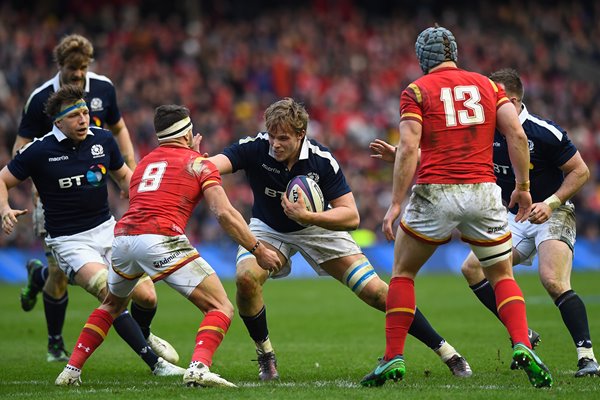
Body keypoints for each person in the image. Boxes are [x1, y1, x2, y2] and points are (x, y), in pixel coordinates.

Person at [207, 97, 473, 381]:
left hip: (317, 227)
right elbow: (212, 165)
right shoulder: (255, 148)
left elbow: (351, 216)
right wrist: (194, 161)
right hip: (268, 229)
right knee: (246, 280)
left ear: (301, 135)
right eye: (272, 136)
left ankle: (448, 352)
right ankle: (266, 355)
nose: (275, 144)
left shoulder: (321, 161)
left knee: (377, 293)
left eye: (283, 138)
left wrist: (309, 218)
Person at [360, 26, 552, 388]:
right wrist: (524, 187)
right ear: (455, 53)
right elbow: (518, 135)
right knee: (502, 276)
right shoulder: (490, 86)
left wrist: (396, 202)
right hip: (483, 193)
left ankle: (393, 356)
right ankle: (523, 344)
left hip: (436, 191)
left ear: (422, 57)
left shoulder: (416, 91)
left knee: (402, 273)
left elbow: (412, 145)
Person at [54, 104, 283, 387]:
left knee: (111, 304)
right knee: (220, 306)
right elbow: (224, 213)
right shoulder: (199, 163)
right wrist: (258, 249)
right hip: (161, 238)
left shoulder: (144, 165)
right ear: (188, 134)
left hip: (123, 238)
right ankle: (199, 366)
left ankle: (71, 370)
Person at [1, 85, 183, 379]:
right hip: (70, 241)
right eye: (75, 115)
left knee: (148, 296)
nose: (84, 119)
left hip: (107, 230)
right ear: (58, 122)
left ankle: (144, 334)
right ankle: (156, 364)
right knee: (109, 294)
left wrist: (142, 198)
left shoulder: (102, 139)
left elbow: (124, 177)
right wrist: (5, 209)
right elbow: (3, 180)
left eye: (86, 112)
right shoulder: (38, 150)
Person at [460, 68, 598, 377]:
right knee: (471, 268)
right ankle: (524, 334)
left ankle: (587, 356)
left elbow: (581, 171)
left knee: (553, 281)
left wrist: (551, 203)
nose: (483, 102)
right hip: (513, 217)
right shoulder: (483, 131)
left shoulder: (543, 132)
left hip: (553, 212)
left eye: (490, 96)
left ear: (509, 100)